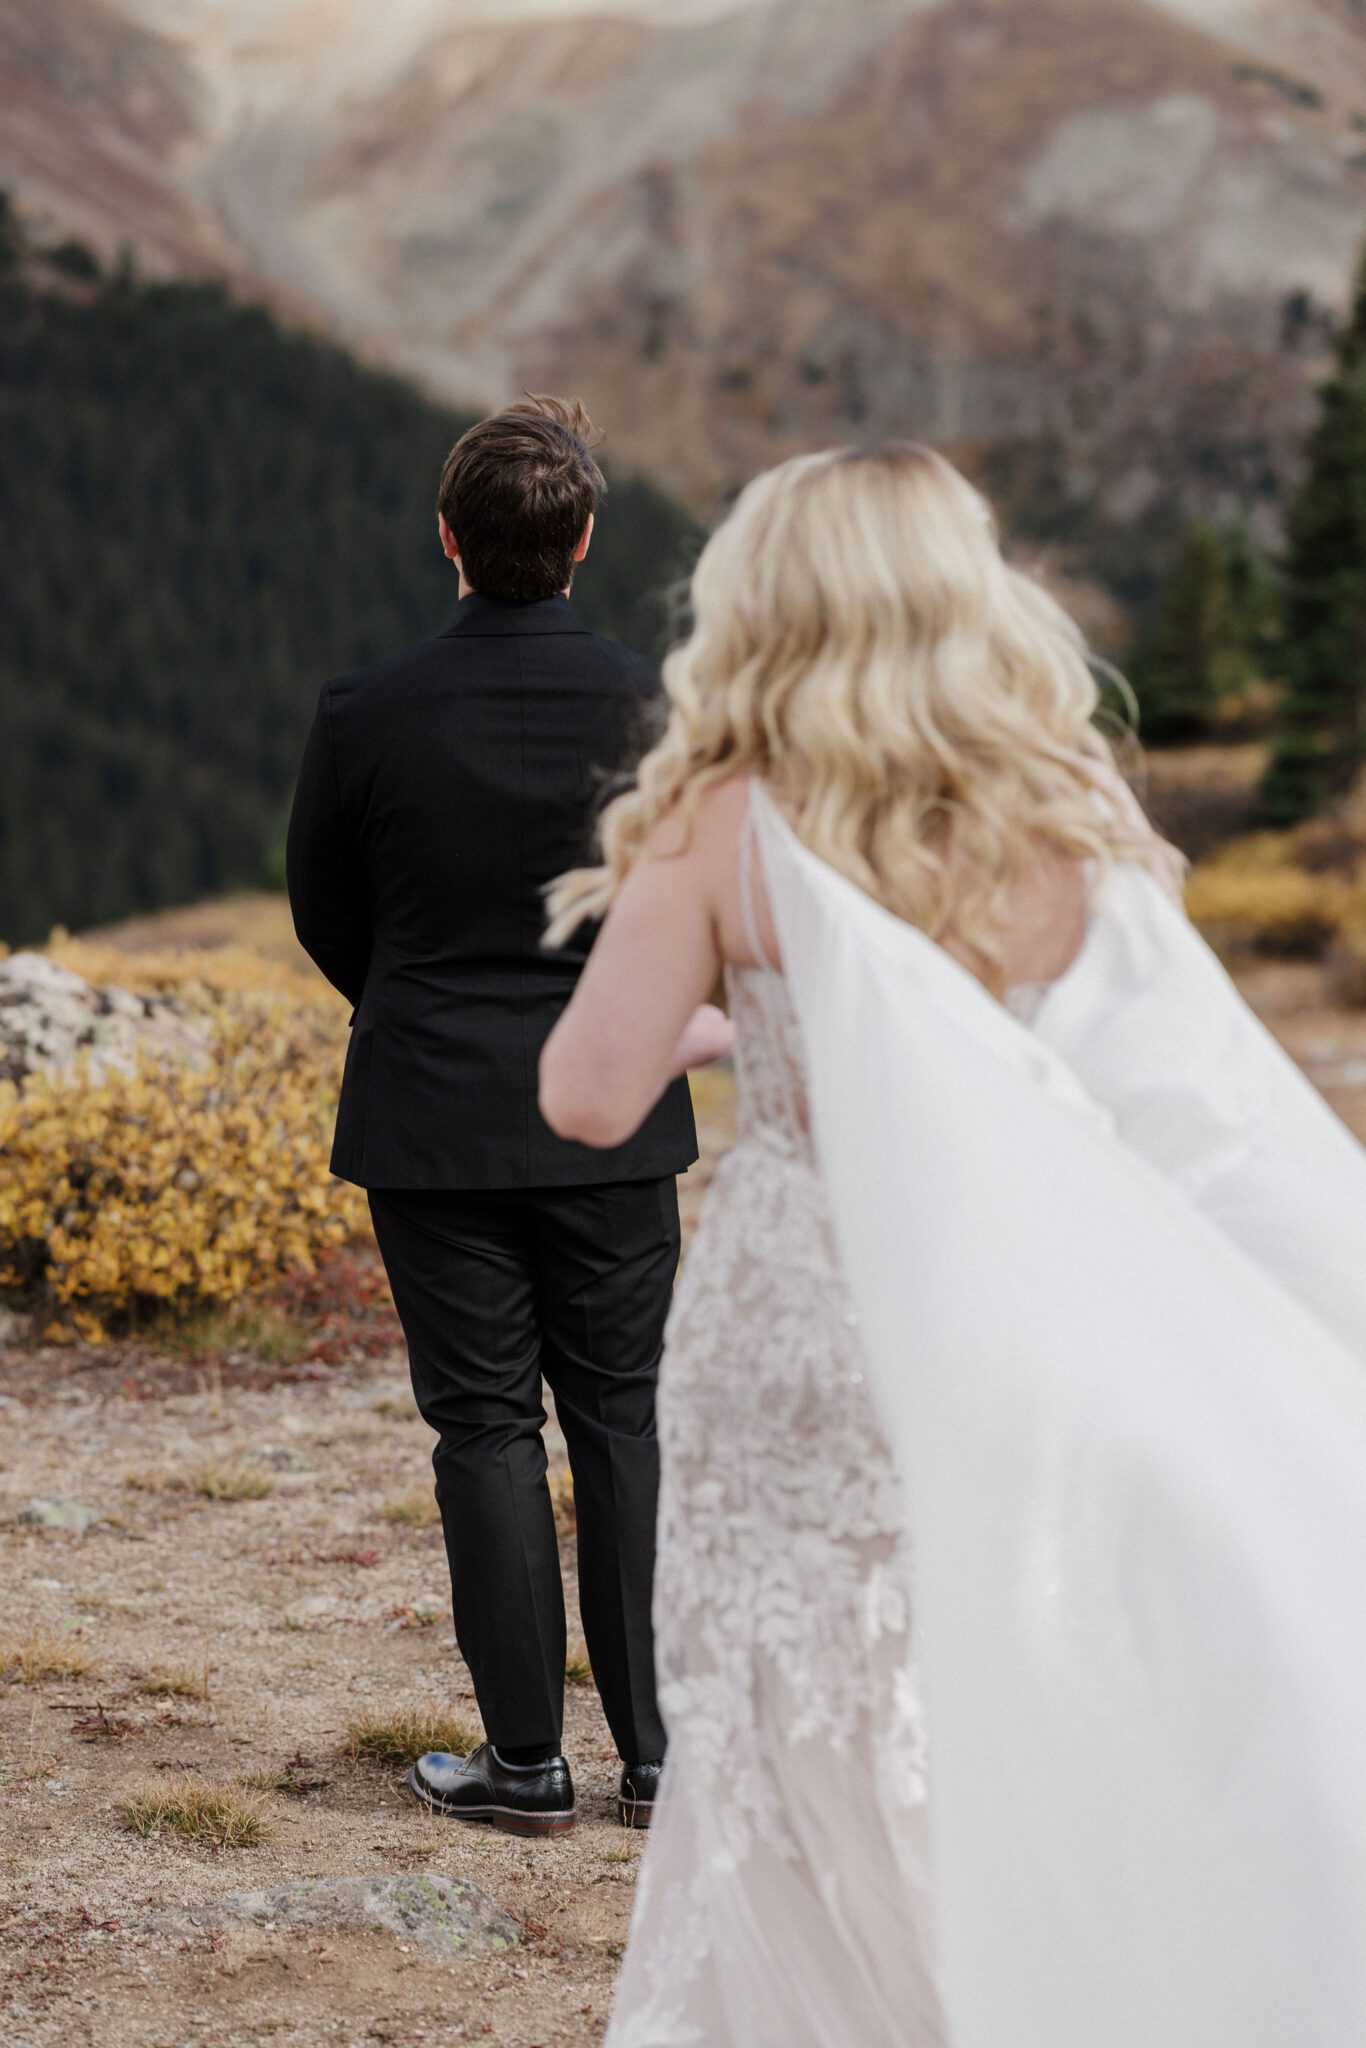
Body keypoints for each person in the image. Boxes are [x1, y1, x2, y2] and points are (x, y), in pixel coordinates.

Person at [539, 443, 1366, 2045]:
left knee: (782, 1728)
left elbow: (584, 1097)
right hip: (1009, 1309)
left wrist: (743, 1026)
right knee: (979, 1673)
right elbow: (1149, 1071)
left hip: (794, 1335)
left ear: (759, 599)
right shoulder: (1060, 802)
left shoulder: (725, 819)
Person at [286, 396, 705, 1838]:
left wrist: (420, 1014)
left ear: (448, 539)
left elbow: (327, 918)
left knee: (481, 1430)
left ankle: (524, 1768)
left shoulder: (364, 712)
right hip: (616, 1119)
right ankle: (660, 1761)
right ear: (582, 541)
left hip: (432, 1117)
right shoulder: (664, 712)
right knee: (623, 1422)